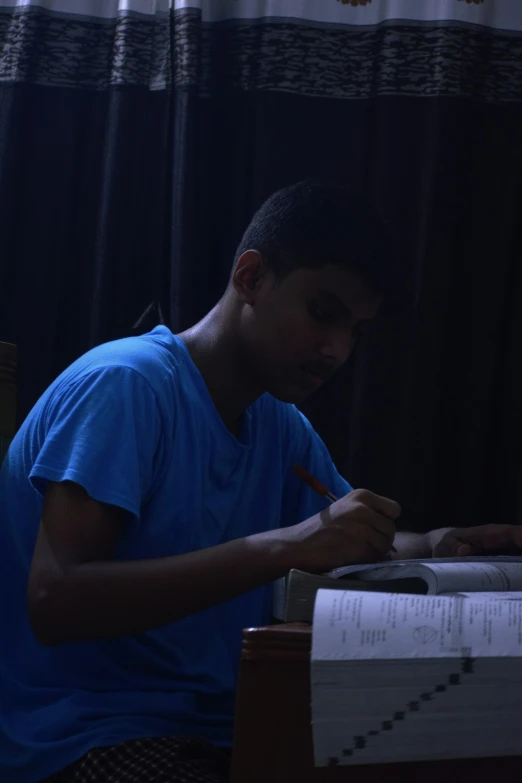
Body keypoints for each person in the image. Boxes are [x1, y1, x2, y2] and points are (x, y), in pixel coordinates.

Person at [1, 181, 521, 783]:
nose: (337, 350)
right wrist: (285, 547)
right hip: (79, 734)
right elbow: (54, 601)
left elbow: (338, 534)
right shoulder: (126, 386)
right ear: (250, 278)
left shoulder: (280, 426)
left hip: (221, 725)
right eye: (323, 314)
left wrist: (440, 543)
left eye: (356, 330)